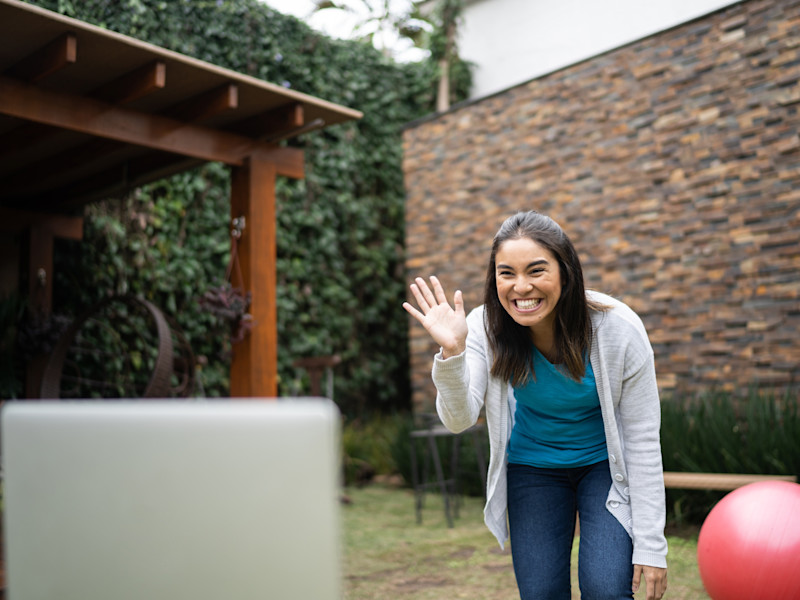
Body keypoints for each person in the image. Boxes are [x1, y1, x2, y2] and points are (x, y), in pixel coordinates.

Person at [403, 211, 668, 600]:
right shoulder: (483, 328)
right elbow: (458, 419)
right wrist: (452, 351)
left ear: (566, 272)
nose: (521, 287)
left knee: (607, 590)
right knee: (542, 593)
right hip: (534, 468)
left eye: (536, 270)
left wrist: (651, 546)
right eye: (506, 273)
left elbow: (643, 439)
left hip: (604, 469)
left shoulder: (618, 329)